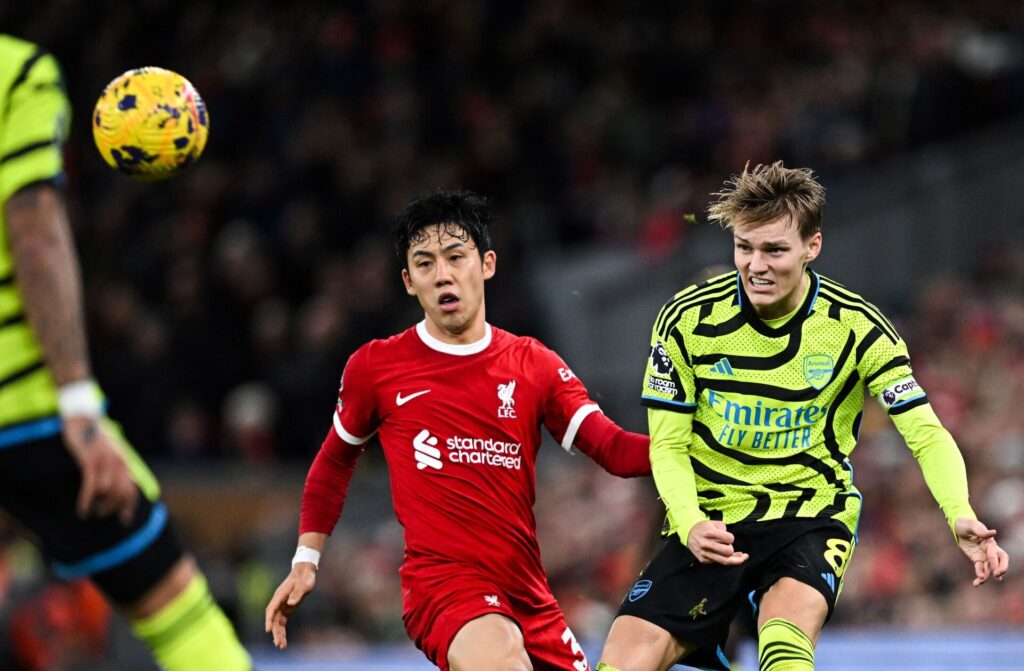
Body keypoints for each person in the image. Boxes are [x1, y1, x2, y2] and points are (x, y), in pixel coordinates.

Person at [596, 161, 1009, 671]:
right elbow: (669, 445)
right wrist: (689, 522)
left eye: (774, 249)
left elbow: (924, 433)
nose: (756, 264)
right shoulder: (687, 320)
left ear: (812, 247)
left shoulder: (857, 328)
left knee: (783, 647)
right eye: (744, 247)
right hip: (711, 522)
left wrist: (959, 511)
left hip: (809, 518)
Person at [265, 188, 651, 671]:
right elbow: (334, 462)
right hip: (444, 588)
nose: (443, 274)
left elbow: (612, 448)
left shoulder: (533, 364)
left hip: (527, 594)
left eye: (455, 257)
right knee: (505, 662)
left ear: (486, 264)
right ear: (408, 281)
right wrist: (306, 561)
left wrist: (699, 444)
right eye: (425, 264)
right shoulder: (377, 367)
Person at [0, 34, 251, 670]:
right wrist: (78, 407)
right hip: (22, 406)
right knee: (177, 608)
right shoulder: (14, 72)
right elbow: (33, 231)